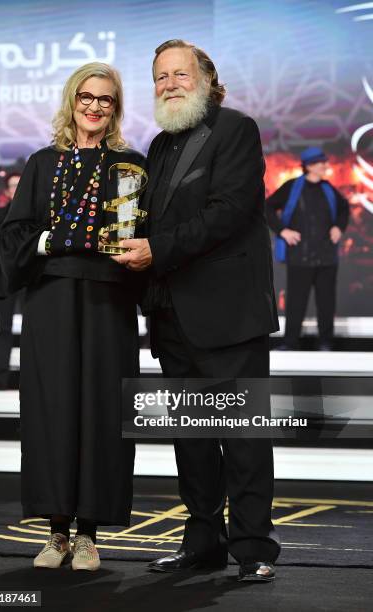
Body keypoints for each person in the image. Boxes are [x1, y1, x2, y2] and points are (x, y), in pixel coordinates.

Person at [112, 40, 281, 581]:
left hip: (228, 314)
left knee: (243, 438)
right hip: (172, 316)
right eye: (160, 76)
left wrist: (156, 250)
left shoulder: (236, 129)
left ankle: (253, 548)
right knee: (192, 439)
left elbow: (228, 212)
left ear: (206, 76)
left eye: (180, 73)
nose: (169, 84)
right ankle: (203, 540)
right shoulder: (158, 146)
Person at [0, 62, 146, 571]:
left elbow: (129, 237)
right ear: (72, 100)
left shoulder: (129, 165)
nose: (96, 106)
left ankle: (88, 535)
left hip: (108, 301)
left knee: (100, 410)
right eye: (88, 97)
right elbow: (15, 235)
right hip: (52, 300)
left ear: (116, 107)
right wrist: (49, 240)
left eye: (106, 99)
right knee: (52, 409)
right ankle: (56, 532)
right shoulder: (42, 162)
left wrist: (89, 242)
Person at [266, 147, 349, 350]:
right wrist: (282, 230)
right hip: (300, 257)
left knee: (326, 303)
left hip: (326, 257)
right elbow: (267, 206)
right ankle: (290, 342)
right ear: (310, 166)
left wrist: (339, 226)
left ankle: (326, 342)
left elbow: (344, 208)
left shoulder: (328, 188)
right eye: (321, 163)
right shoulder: (292, 187)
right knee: (296, 302)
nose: (325, 166)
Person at [0, 172, 21, 390]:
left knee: (35, 329)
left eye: (20, 185)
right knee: (4, 328)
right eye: (12, 186)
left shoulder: (37, 216)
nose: (16, 189)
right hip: (5, 276)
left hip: (31, 278)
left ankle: (34, 381)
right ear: (7, 191)